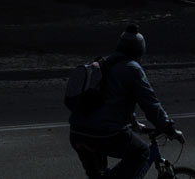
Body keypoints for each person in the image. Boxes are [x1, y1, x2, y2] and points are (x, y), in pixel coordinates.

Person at [69, 23, 184, 179]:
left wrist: (134, 123)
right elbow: (151, 104)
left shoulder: (104, 63)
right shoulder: (132, 68)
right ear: (139, 52)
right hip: (103, 134)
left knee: (98, 175)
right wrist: (169, 129)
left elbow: (114, 100)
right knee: (142, 153)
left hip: (77, 131)